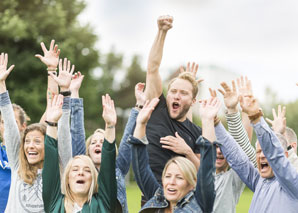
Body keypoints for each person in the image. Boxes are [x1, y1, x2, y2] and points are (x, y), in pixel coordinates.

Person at [129, 97, 219, 212]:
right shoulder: (157, 200)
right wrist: (141, 124)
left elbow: (207, 169)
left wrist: (207, 121)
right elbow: (140, 167)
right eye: (167, 176)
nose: (171, 182)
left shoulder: (201, 202)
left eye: (179, 178)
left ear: (192, 183)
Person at [215, 94, 298, 212]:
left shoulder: (292, 183)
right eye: (259, 152)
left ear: (285, 156)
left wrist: (256, 118)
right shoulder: (259, 180)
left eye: (266, 152)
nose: (262, 155)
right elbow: (237, 156)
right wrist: (215, 122)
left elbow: (275, 155)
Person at [144, 15, 201, 183]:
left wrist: (187, 152)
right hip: (152, 199)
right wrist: (162, 32)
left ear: (193, 101)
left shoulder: (197, 132)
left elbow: (203, 175)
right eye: (173, 91)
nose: (176, 95)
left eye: (183, 93)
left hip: (184, 202)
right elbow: (152, 68)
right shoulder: (157, 109)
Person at [42, 94, 117, 212]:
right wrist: (51, 123)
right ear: (67, 179)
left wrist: (110, 126)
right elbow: (50, 164)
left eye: (87, 170)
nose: (80, 173)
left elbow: (108, 164)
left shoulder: (103, 204)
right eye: (75, 169)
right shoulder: (55, 204)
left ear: (94, 179)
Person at [83, 83, 145, 212]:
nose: (98, 144)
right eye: (93, 142)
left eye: (103, 141)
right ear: (88, 151)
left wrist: (139, 105)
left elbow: (128, 139)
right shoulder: (81, 173)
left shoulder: (118, 168)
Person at [209, 79, 257, 213]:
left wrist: (243, 109)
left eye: (223, 148)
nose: (219, 151)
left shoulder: (233, 177)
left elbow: (241, 148)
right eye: (216, 147)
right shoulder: (200, 174)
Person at [0, 103, 29, 213]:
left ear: (23, 126)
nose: (8, 126)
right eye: (3, 122)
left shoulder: (30, 155)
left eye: (13, 122)